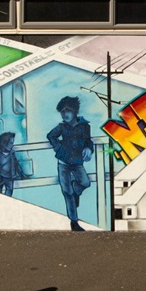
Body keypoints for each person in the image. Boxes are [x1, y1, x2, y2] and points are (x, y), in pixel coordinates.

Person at [46, 96, 93, 231]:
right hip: (63, 163)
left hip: (78, 162)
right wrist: (58, 148)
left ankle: (76, 191)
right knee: (67, 192)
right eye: (62, 112)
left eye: (67, 111)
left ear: (75, 111)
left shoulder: (84, 126)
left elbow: (88, 141)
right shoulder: (62, 127)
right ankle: (74, 222)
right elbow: (51, 136)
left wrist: (88, 149)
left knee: (85, 183)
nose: (64, 114)